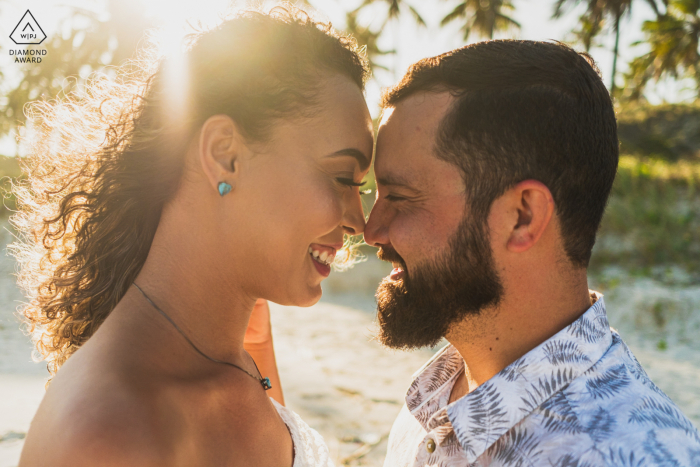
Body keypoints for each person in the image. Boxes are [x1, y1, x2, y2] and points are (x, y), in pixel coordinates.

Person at [12, 6, 372, 466]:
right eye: (343, 177)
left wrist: (254, 349)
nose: (359, 222)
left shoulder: (229, 362)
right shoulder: (109, 437)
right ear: (225, 155)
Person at [364, 40, 700, 466]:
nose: (371, 229)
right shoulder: (440, 392)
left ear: (522, 216)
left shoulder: (623, 455)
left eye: (400, 197)